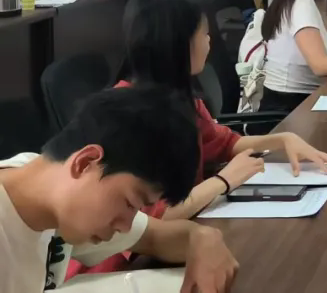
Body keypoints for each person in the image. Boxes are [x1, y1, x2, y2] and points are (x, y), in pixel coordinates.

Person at [119, 0, 327, 221]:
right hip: (156, 240)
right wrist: (223, 181)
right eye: (204, 33)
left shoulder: (180, 96)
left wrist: (282, 140)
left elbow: (224, 143)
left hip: (191, 223)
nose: (209, 40)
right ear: (178, 43)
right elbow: (151, 218)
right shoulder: (126, 117)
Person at [0, 85, 237, 292]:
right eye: (130, 204)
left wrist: (202, 237)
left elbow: (154, 238)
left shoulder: (46, 180)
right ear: (84, 163)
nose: (125, 226)